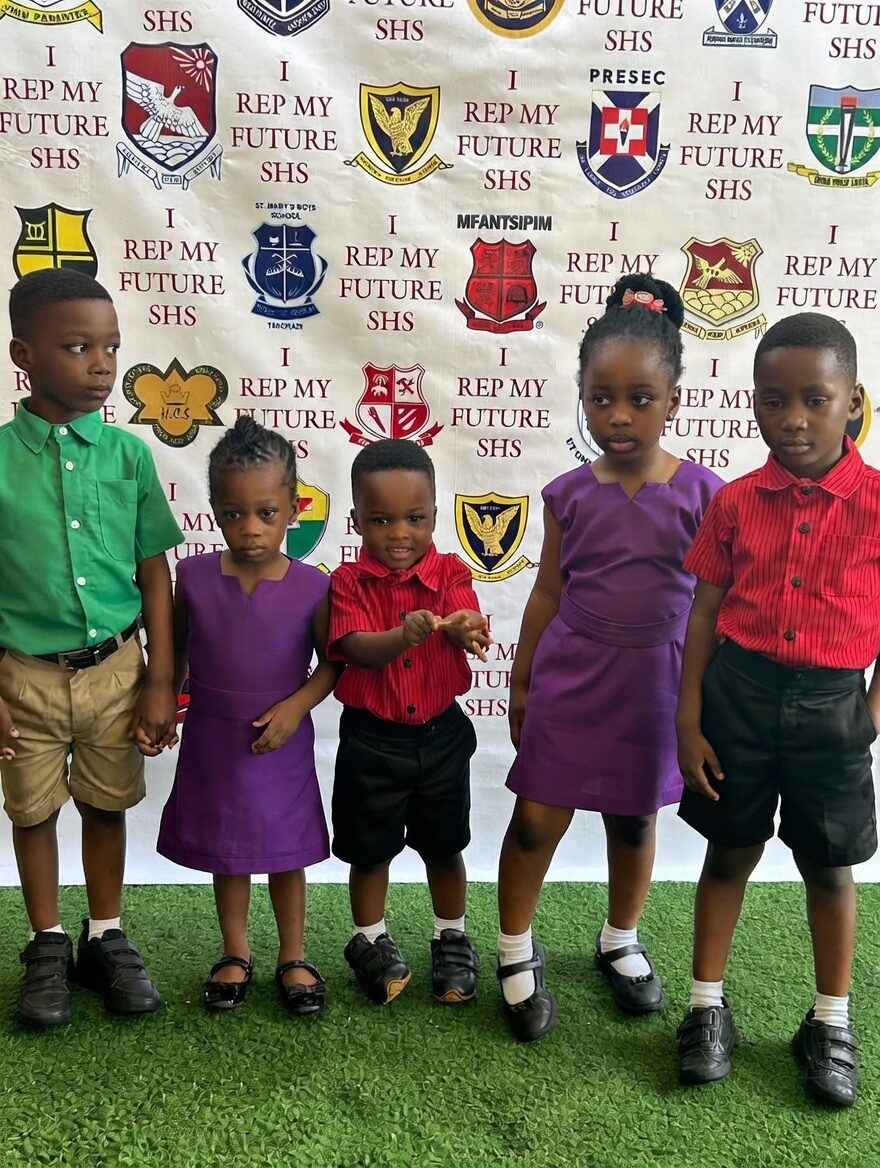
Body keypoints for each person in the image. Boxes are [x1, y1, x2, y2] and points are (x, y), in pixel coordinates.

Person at [496, 274, 723, 1041]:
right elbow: (546, 594)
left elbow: (714, 609)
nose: (618, 416)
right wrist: (521, 682)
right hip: (572, 682)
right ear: (583, 399)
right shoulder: (567, 494)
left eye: (639, 398)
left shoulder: (706, 495)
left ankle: (620, 937)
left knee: (634, 821)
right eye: (601, 399)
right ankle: (514, 949)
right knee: (536, 820)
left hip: (654, 688)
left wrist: (705, 704)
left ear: (673, 401)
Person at [675, 313, 880, 1108]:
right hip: (739, 700)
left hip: (834, 710)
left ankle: (830, 1022)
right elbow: (702, 612)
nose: (792, 419)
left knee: (829, 867)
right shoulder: (734, 504)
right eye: (773, 400)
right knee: (729, 851)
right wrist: (690, 719)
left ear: (851, 401)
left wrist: (869, 714)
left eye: (813, 399)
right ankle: (706, 1007)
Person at [0, 268, 182, 1026]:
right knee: (33, 812)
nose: (102, 365)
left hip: (116, 672)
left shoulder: (129, 457)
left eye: (110, 347)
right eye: (78, 347)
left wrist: (160, 678)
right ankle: (46, 943)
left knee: (107, 806)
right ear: (24, 355)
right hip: (23, 678)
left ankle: (105, 933)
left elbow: (154, 570)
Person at [158, 416, 336, 1015]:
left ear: (294, 509)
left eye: (266, 512)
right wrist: (164, 704)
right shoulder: (193, 576)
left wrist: (295, 707)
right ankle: (235, 950)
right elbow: (176, 651)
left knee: (286, 852)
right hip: (214, 737)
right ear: (214, 510)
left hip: (281, 739)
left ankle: (293, 954)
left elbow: (331, 665)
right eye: (233, 514)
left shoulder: (314, 586)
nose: (251, 528)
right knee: (226, 849)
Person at [328, 438, 490, 1005]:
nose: (399, 533)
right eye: (381, 520)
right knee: (369, 851)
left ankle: (451, 935)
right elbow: (354, 647)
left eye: (415, 518)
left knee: (445, 845)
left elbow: (471, 626)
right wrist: (403, 635)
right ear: (356, 521)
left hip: (442, 737)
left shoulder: (451, 572)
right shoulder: (347, 581)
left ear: (435, 516)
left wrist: (467, 629)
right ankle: (369, 938)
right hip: (372, 742)